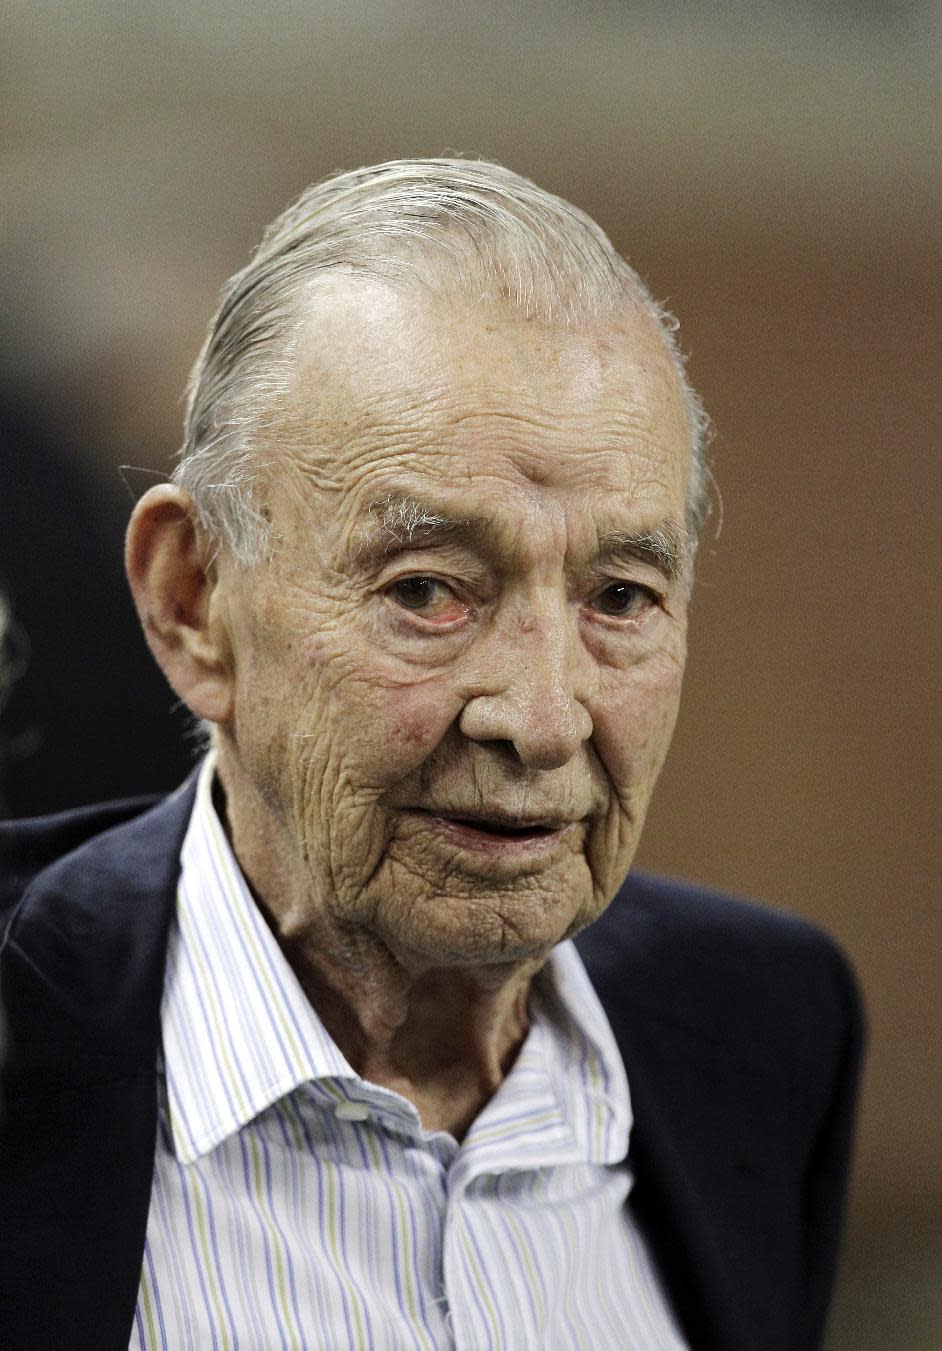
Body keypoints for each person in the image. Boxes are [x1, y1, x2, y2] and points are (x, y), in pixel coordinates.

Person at [0, 159, 863, 1351]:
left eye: (620, 593)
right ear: (193, 601)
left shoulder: (763, 1025)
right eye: (428, 591)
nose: (546, 717)